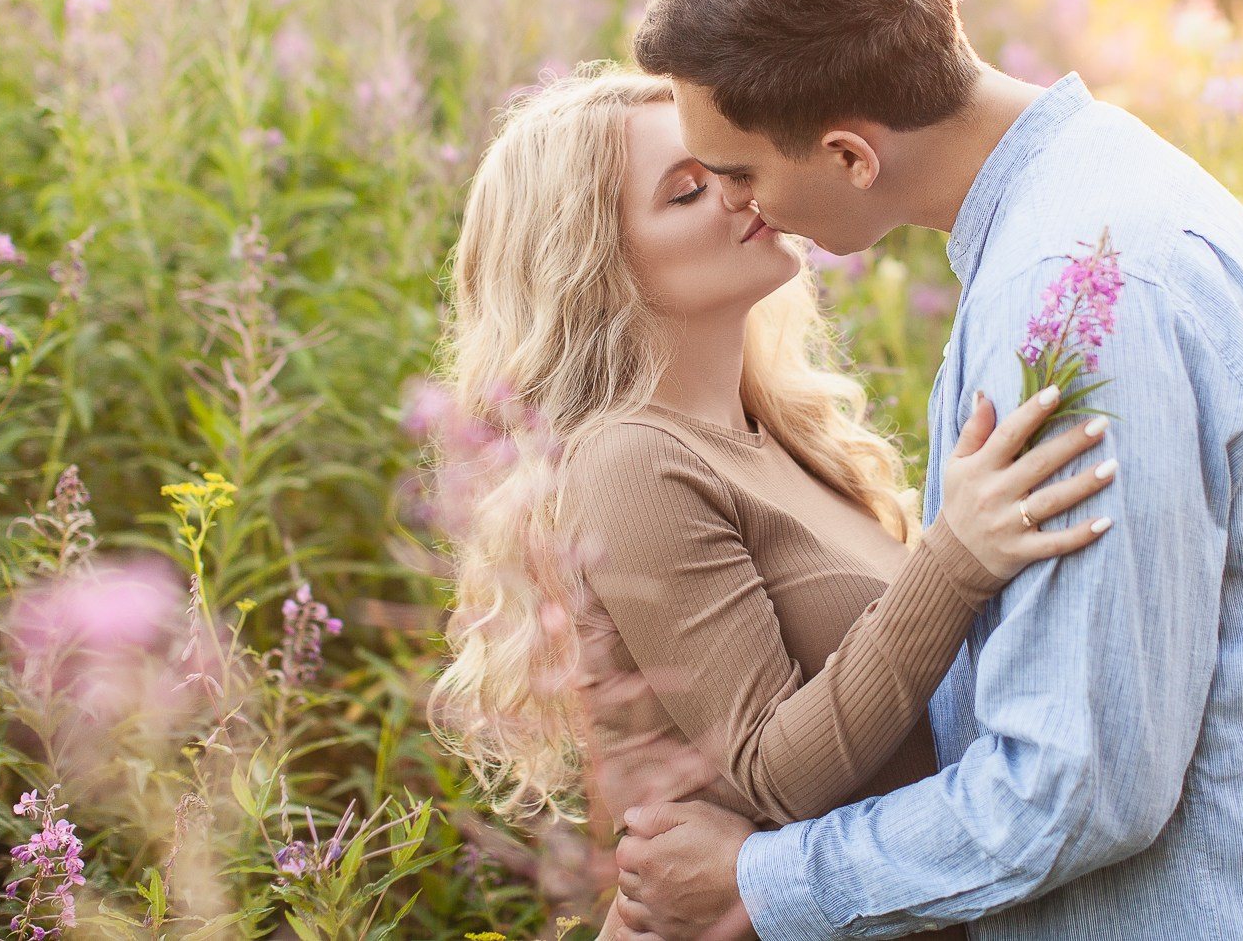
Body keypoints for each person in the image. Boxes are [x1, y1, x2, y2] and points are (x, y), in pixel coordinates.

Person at [609, 0, 1243, 941]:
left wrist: (762, 882)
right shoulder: (1098, 191)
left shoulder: (1073, 299)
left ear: (847, 154)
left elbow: (1074, 784)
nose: (742, 205)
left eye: (738, 172)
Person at [429, 70, 1119, 939]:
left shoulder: (779, 435)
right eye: (686, 190)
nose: (737, 191)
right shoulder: (631, 459)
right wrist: (958, 558)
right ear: (599, 270)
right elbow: (773, 773)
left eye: (726, 162)